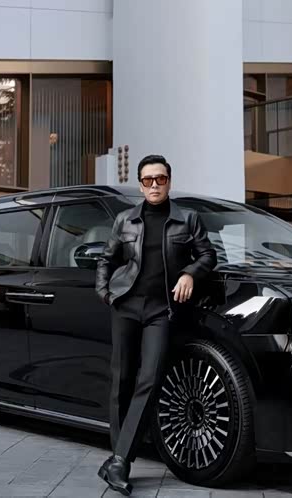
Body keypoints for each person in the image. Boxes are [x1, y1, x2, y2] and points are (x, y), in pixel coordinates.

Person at [95, 154, 216, 495]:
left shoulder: (188, 219)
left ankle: (119, 461)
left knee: (149, 378)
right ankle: (118, 459)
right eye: (147, 180)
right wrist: (105, 293)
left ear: (169, 182)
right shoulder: (125, 220)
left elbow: (208, 255)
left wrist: (190, 273)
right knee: (121, 380)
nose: (154, 185)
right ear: (140, 185)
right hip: (126, 305)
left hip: (162, 311)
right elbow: (107, 259)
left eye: (160, 179)